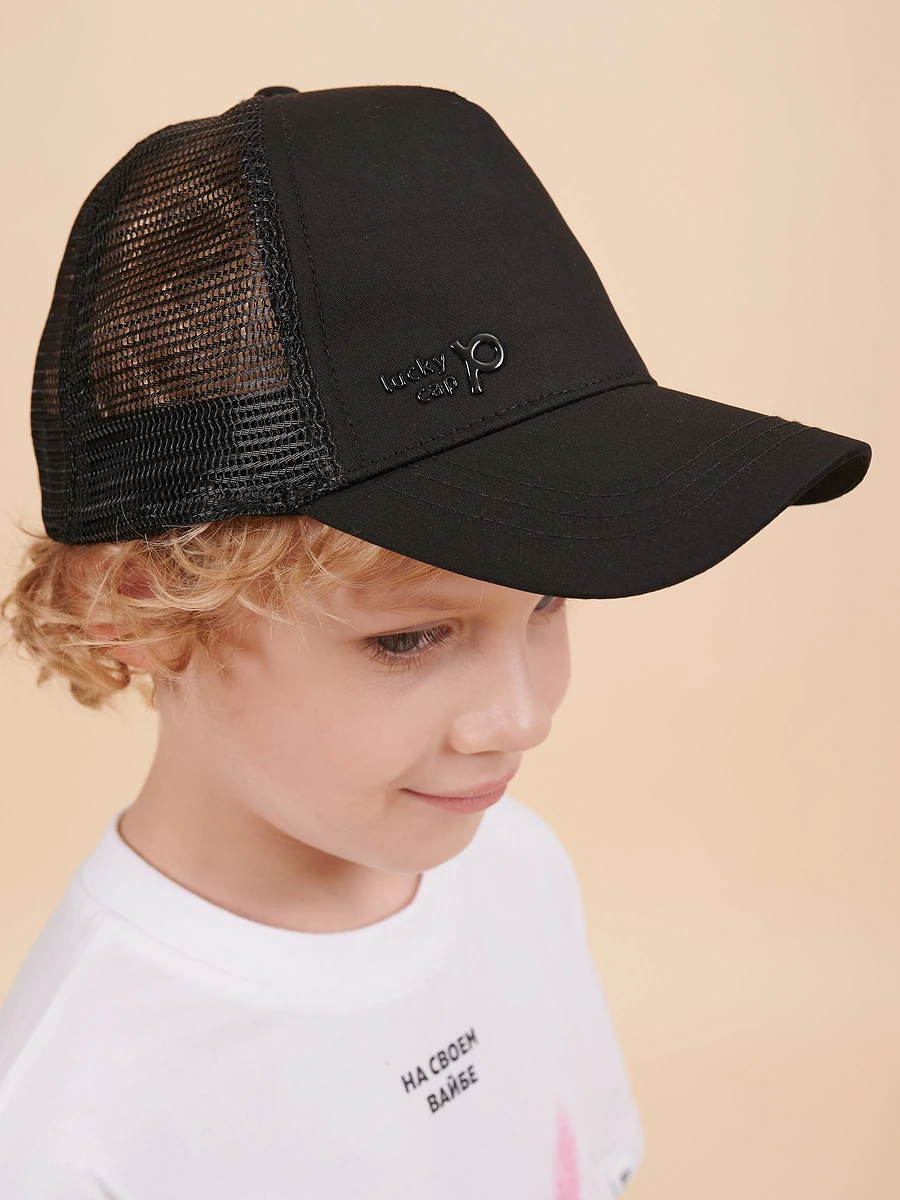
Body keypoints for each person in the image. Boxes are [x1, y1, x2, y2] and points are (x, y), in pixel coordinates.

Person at [0, 84, 871, 1199]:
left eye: (549, 602)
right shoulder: (73, 1125)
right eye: (410, 638)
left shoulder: (514, 870)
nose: (522, 717)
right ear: (142, 608)